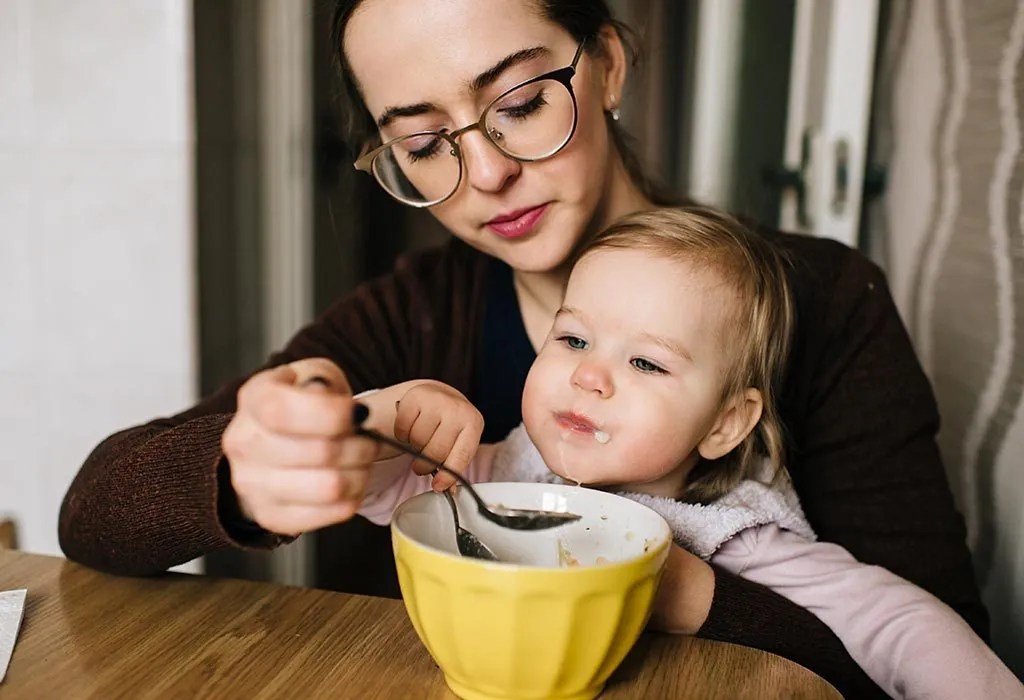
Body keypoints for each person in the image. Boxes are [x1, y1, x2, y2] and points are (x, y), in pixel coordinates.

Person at [57, 1, 987, 696]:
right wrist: (256, 468)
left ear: (608, 65)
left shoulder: (820, 304)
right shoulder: (414, 313)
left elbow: (918, 656)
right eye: (424, 143)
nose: (489, 173)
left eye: (523, 101)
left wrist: (674, 590)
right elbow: (94, 512)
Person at [349, 207, 1023, 700]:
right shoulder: (501, 473)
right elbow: (378, 487)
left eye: (645, 361)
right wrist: (386, 418)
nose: (589, 375)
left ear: (726, 424)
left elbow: (900, 623)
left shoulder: (732, 535)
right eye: (574, 340)